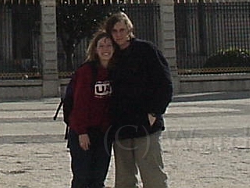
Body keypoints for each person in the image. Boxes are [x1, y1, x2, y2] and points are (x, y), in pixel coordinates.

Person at [104, 12, 173, 188]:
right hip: (120, 126)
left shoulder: (146, 50)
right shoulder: (110, 56)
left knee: (153, 175)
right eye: (115, 31)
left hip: (145, 124)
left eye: (122, 29)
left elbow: (164, 83)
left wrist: (155, 112)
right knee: (124, 179)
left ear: (129, 29)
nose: (119, 34)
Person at [67, 30, 115, 188]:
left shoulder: (116, 72)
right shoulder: (86, 72)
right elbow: (79, 104)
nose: (105, 49)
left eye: (109, 45)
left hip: (104, 133)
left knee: (98, 178)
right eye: (101, 45)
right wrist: (81, 132)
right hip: (84, 132)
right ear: (95, 49)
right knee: (82, 178)